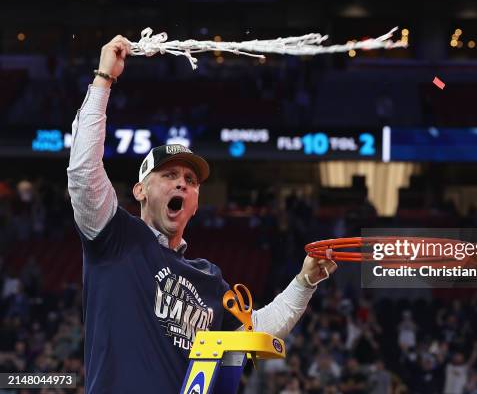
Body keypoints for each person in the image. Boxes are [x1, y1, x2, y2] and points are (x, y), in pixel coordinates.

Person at [67, 35, 337, 393]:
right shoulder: (114, 236)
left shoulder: (209, 279)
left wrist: (304, 283)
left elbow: (253, 334)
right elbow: (84, 172)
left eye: (190, 180)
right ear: (140, 191)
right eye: (169, 175)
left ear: (196, 201)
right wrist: (103, 79)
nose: (181, 184)